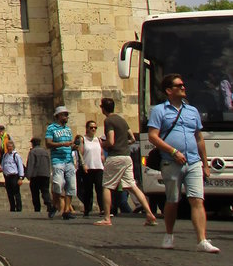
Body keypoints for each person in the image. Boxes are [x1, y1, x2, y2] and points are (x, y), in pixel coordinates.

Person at [147, 74, 219, 252]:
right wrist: (173, 151)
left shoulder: (192, 111)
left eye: (183, 85)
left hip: (193, 161)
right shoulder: (159, 111)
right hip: (171, 162)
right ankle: (169, 235)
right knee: (173, 200)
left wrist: (205, 164)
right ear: (169, 90)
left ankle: (202, 240)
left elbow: (199, 138)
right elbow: (153, 136)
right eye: (179, 85)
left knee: (197, 200)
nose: (183, 87)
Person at [94, 97, 157, 227]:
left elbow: (110, 141)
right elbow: (132, 139)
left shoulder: (109, 121)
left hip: (115, 156)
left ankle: (107, 217)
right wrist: (123, 143)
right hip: (126, 157)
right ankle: (149, 213)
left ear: (103, 108)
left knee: (106, 186)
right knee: (132, 186)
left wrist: (102, 144)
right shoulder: (122, 120)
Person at [45, 106, 76, 218]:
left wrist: (74, 146)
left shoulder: (68, 129)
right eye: (64, 114)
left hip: (69, 160)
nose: (67, 117)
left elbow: (70, 144)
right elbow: (48, 144)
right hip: (57, 160)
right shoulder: (51, 128)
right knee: (58, 184)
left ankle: (66, 211)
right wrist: (63, 144)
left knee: (71, 185)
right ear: (58, 116)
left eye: (67, 115)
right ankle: (54, 204)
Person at [76, 120, 105, 217]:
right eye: (91, 127)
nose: (93, 129)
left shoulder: (98, 140)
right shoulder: (83, 139)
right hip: (88, 167)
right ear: (87, 128)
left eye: (95, 127)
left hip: (98, 167)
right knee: (88, 190)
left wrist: (103, 163)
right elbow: (80, 153)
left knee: (100, 189)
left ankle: (102, 209)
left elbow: (101, 153)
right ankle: (87, 209)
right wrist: (83, 164)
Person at [25, 138, 53, 214]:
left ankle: (37, 208)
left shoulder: (32, 152)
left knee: (35, 193)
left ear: (33, 144)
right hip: (45, 174)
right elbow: (48, 163)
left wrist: (28, 175)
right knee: (45, 191)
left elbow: (31, 164)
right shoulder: (45, 152)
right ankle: (49, 204)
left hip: (35, 175)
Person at [0, 139, 25, 211]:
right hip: (7, 176)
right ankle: (12, 207)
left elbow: (20, 166)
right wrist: (1, 169)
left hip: (14, 176)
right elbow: (3, 165)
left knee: (16, 193)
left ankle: (19, 208)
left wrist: (20, 178)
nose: (9, 148)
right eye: (7, 146)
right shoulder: (5, 155)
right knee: (9, 193)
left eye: (10, 146)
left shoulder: (16, 155)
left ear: (13, 147)